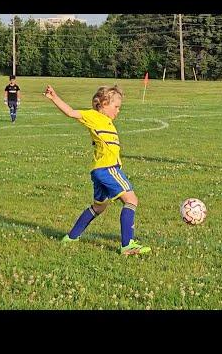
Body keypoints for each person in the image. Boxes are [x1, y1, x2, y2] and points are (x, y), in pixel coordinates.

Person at [43, 84, 151, 256]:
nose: (118, 111)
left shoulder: (107, 122)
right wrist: (54, 97)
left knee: (99, 207)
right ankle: (127, 245)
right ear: (103, 103)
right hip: (108, 169)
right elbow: (71, 112)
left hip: (98, 171)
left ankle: (71, 237)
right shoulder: (93, 116)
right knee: (131, 200)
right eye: (116, 107)